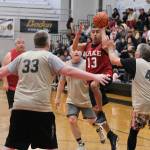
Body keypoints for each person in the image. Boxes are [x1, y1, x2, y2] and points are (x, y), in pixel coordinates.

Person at [0, 30, 110, 150]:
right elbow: (69, 71)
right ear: (48, 43)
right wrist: (95, 76)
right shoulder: (49, 57)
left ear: (34, 42)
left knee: (11, 145)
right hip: (40, 109)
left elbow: (2, 72)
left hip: (20, 107)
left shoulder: (22, 57)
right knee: (51, 147)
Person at [72, 24, 118, 150]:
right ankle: (111, 135)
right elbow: (74, 47)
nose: (95, 34)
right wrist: (77, 35)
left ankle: (101, 111)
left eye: (97, 32)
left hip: (105, 75)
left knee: (93, 85)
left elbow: (106, 44)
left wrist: (103, 29)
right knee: (97, 116)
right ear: (90, 34)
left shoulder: (103, 44)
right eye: (93, 32)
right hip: (93, 81)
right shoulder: (86, 45)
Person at [55, 50, 106, 150]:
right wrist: (57, 97)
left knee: (92, 121)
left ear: (82, 53)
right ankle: (80, 144)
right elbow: (61, 83)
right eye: (74, 50)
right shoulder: (66, 65)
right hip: (72, 100)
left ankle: (99, 129)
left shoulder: (87, 64)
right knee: (72, 120)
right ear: (70, 53)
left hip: (86, 100)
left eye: (79, 49)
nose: (76, 52)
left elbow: (96, 80)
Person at [105, 42, 150, 150]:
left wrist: (110, 49)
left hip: (141, 107)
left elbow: (114, 61)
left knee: (133, 132)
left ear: (139, 53)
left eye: (136, 51)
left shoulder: (136, 62)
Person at [2, 38, 25, 109]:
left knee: (22, 108)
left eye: (23, 43)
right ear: (15, 45)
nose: (21, 44)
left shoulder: (27, 55)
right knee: (13, 107)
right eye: (19, 43)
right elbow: (3, 70)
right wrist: (5, 82)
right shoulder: (10, 54)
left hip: (23, 87)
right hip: (12, 86)